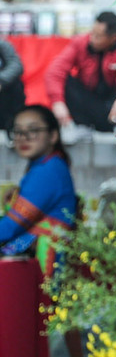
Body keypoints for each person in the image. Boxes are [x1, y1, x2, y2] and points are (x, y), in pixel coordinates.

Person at [1, 104, 77, 272]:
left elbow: (11, 226)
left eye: (33, 130)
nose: (23, 137)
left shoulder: (48, 171)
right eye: (18, 131)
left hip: (47, 262)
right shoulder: (48, 165)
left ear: (53, 135)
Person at [43, 12, 116, 132]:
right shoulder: (81, 43)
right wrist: (57, 102)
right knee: (68, 82)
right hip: (90, 101)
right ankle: (80, 127)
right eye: (92, 33)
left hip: (114, 104)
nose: (92, 39)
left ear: (113, 38)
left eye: (98, 36)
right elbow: (54, 71)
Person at [0, 36, 26, 132]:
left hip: (4, 88)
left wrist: (1, 81)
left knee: (16, 85)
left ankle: (13, 128)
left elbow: (17, 65)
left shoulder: (3, 45)